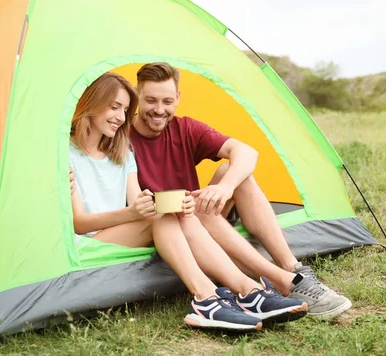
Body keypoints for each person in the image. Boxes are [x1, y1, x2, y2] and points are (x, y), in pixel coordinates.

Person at [69, 72, 306, 331]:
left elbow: (138, 200)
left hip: (122, 232)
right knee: (159, 215)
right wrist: (135, 212)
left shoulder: (122, 151)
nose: (120, 117)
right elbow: (79, 224)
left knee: (171, 211)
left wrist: (171, 204)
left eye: (125, 110)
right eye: (114, 107)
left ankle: (248, 290)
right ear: (91, 103)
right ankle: (206, 297)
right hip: (89, 241)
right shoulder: (65, 154)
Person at [130, 62, 352, 319]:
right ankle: (283, 281)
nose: (159, 110)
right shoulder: (121, 137)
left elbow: (247, 152)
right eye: (151, 101)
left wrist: (225, 188)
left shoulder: (185, 128)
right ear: (137, 95)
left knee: (235, 173)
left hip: (200, 221)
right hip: (164, 227)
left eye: (167, 101)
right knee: (193, 210)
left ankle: (292, 266)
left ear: (178, 97)